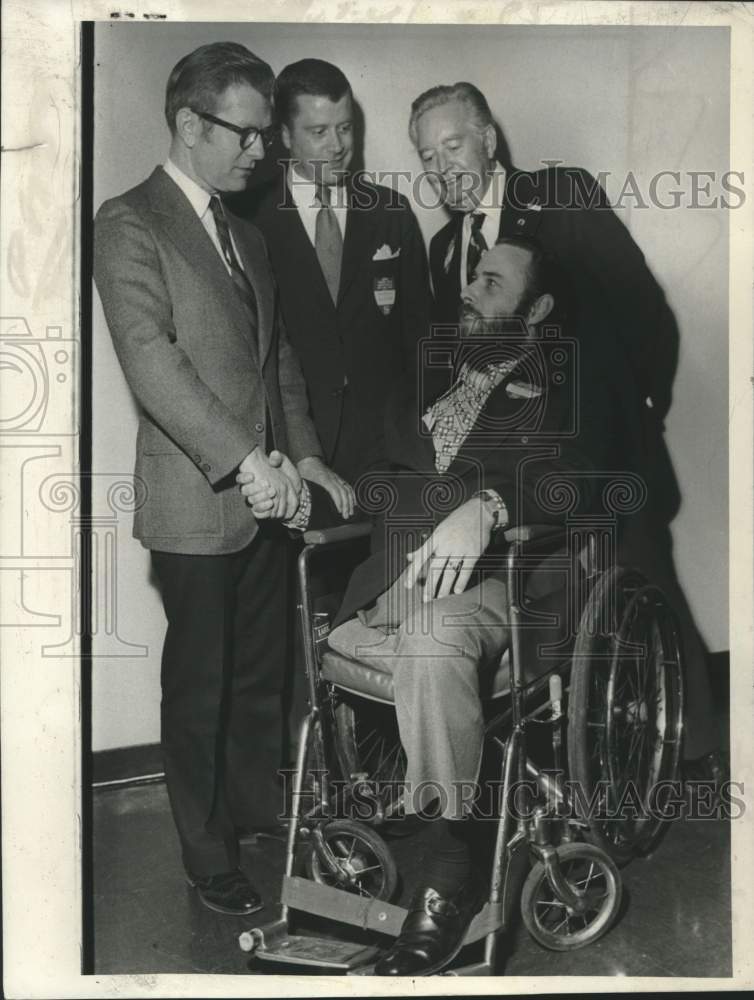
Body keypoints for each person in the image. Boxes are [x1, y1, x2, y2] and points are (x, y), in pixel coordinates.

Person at [239, 237, 621, 975]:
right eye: (470, 277)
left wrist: (491, 502)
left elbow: (583, 478)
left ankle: (454, 867)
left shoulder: (569, 380)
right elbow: (380, 473)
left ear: (536, 309)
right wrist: (310, 479)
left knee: (433, 643)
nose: (468, 291)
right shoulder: (431, 374)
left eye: (490, 281)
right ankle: (433, 804)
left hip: (505, 585)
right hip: (396, 582)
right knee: (352, 634)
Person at [408, 80, 723, 782]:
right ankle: (563, 749)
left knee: (646, 585)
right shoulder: (442, 250)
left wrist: (631, 412)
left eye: (453, 146)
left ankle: (695, 750)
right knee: (545, 608)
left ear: (488, 139)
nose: (442, 169)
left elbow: (647, 316)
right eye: (427, 158)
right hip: (520, 464)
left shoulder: (561, 196)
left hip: (601, 451)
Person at [93, 42, 344, 917]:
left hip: (272, 496)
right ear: (190, 124)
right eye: (245, 134)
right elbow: (154, 365)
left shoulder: (248, 235)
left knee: (260, 674)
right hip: (198, 501)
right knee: (199, 684)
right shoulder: (128, 221)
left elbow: (277, 367)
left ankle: (252, 814)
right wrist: (247, 463)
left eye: (267, 139)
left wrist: (302, 458)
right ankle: (206, 855)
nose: (260, 153)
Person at [247, 58, 432, 483]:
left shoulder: (392, 213)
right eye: (318, 132)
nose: (337, 146)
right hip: (291, 452)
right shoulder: (250, 221)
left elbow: (420, 335)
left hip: (387, 452)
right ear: (286, 136)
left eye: (345, 128)